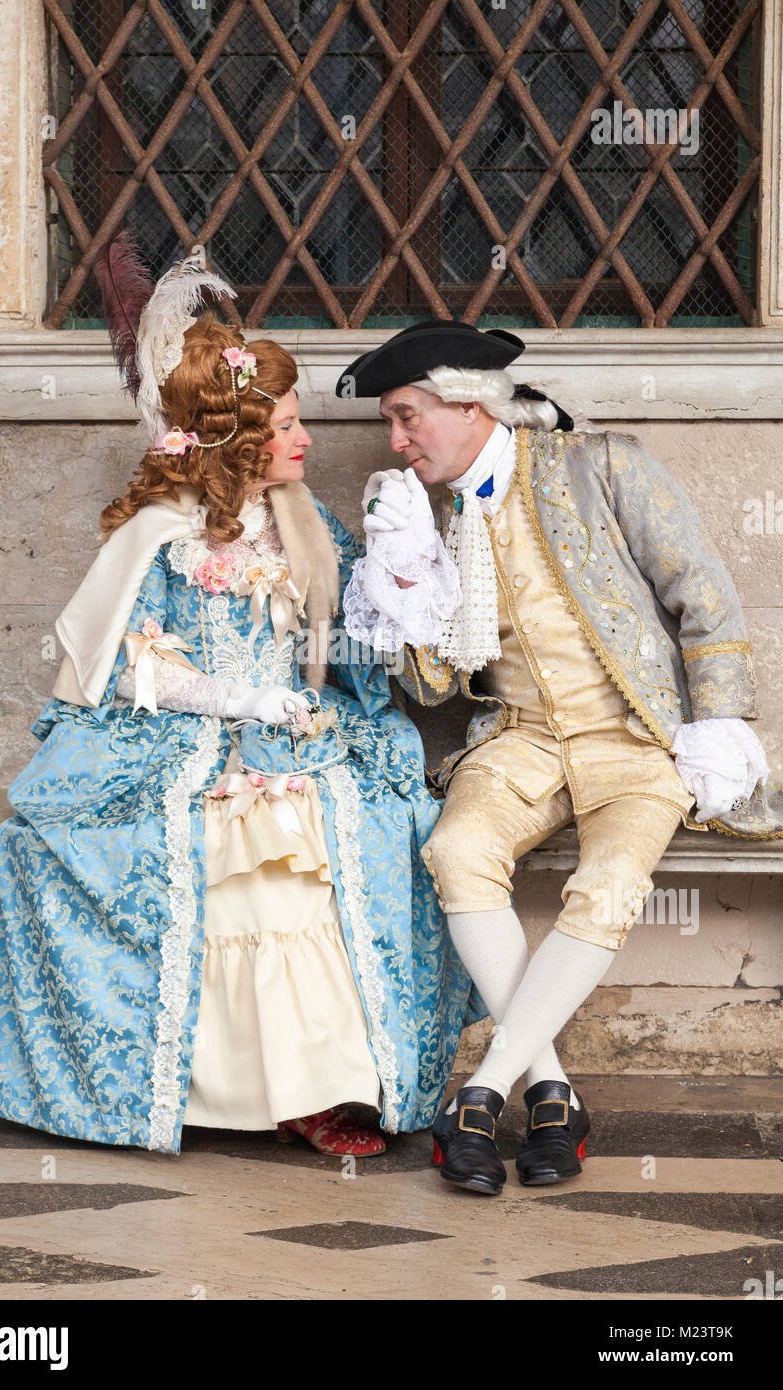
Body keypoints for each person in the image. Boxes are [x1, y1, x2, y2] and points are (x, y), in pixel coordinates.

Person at [0, 253, 478, 1158]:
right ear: (240, 439)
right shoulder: (158, 534)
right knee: (228, 837)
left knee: (346, 819)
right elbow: (124, 665)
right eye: (287, 426)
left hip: (293, 730)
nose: (307, 440)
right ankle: (232, 1092)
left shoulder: (306, 523)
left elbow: (350, 639)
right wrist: (244, 698)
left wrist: (407, 584)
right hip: (179, 736)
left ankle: (328, 1085)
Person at [339, 319, 782, 1195]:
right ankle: (550, 1094)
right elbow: (432, 692)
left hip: (639, 740)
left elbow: (706, 598)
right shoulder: (432, 521)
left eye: (404, 416)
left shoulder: (602, 465)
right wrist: (399, 576)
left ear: (468, 404)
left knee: (609, 885)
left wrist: (719, 726)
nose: (394, 442)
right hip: (522, 741)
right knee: (455, 851)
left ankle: (483, 1094)